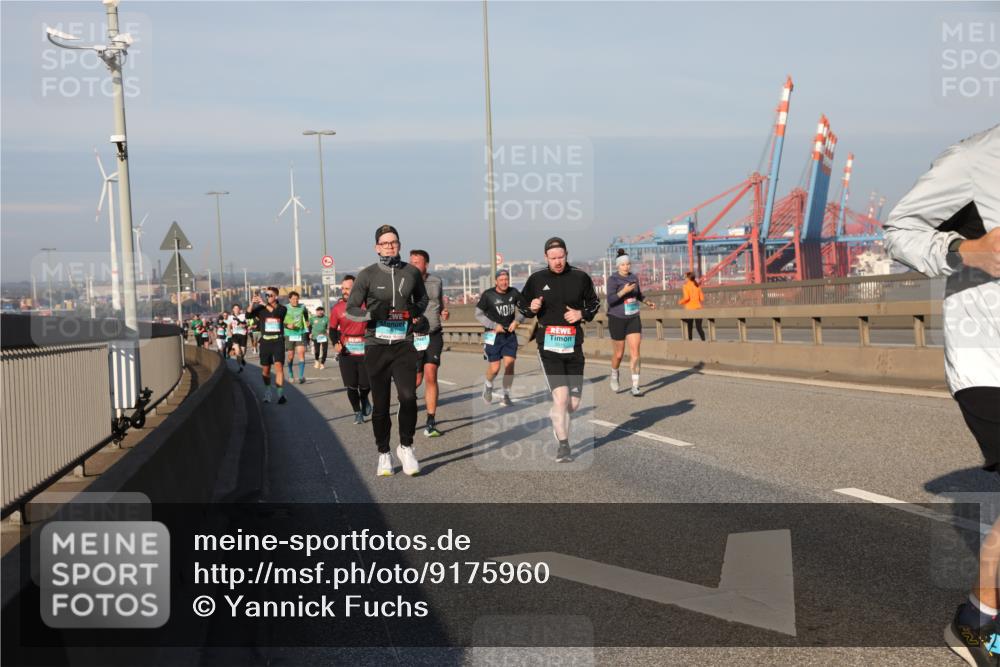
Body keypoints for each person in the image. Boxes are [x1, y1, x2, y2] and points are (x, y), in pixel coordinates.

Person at [881, 124, 999, 666]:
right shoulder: (974, 158)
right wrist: (966, 249)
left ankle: (978, 617)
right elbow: (898, 230)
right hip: (987, 358)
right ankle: (978, 622)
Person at [346, 225, 428, 477]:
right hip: (376, 346)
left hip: (403, 344)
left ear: (399, 245)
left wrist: (416, 312)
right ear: (377, 247)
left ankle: (406, 446)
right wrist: (373, 314)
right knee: (381, 405)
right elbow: (351, 309)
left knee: (409, 398)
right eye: (385, 243)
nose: (390, 246)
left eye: (394, 242)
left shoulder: (412, 272)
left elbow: (422, 300)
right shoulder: (367, 275)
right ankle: (383, 452)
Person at [518, 237, 601, 463]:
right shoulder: (537, 279)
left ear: (567, 255)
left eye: (561, 257)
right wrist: (531, 307)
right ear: (546, 257)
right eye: (553, 258)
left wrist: (580, 314)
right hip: (549, 346)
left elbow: (594, 303)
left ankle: (557, 417)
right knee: (562, 398)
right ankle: (564, 445)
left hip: (574, 346)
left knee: (572, 405)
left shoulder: (580, 277)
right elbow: (522, 305)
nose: (557, 261)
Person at [606, 249, 656, 396]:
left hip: (633, 317)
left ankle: (635, 386)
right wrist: (624, 291)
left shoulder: (634, 277)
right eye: (623, 265)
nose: (626, 267)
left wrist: (647, 302)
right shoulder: (613, 280)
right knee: (619, 354)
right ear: (618, 266)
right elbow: (610, 300)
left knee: (635, 352)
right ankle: (614, 373)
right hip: (617, 319)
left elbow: (639, 294)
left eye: (628, 264)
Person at [409, 249, 448, 438]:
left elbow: (440, 303)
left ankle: (430, 421)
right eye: (412, 261)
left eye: (417, 262)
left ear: (426, 264)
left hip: (433, 334)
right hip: (414, 336)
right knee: (416, 380)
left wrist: (444, 312)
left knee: (431, 375)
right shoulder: (405, 283)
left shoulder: (436, 281)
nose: (414, 264)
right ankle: (406, 403)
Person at [476, 268, 524, 407]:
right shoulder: (488, 295)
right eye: (501, 280)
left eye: (506, 279)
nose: (504, 282)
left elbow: (524, 310)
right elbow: (478, 314)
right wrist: (493, 325)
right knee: (495, 368)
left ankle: (506, 395)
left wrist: (517, 321)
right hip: (492, 335)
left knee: (509, 365)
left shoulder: (514, 292)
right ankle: (488, 386)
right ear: (496, 281)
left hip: (509, 335)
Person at [330, 275, 372, 424]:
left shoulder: (366, 305)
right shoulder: (337, 308)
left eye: (347, 288)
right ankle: (357, 412)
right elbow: (332, 329)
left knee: (366, 385)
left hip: (365, 349)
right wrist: (335, 342)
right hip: (346, 351)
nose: (344, 291)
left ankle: (364, 398)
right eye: (343, 288)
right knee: (351, 386)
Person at [248, 288, 288, 404]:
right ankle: (268, 391)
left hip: (278, 341)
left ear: (276, 296)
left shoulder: (282, 308)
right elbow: (247, 315)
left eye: (270, 295)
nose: (268, 297)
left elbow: (275, 313)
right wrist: (252, 303)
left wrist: (264, 304)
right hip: (265, 342)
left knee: (279, 367)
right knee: (266, 370)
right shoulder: (261, 309)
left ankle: (280, 394)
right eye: (266, 295)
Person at [283, 291, 310, 384]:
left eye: (297, 299)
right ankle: (290, 373)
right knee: (290, 356)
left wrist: (306, 321)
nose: (295, 301)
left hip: (300, 333)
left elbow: (306, 314)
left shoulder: (302, 307)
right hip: (289, 334)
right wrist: (287, 326)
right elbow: (280, 321)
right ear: (289, 299)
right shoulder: (285, 308)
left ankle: (301, 376)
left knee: (301, 353)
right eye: (293, 299)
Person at [679, 271, 706, 341]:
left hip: (689, 309)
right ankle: (704, 341)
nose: (684, 279)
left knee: (689, 326)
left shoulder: (685, 286)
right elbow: (702, 298)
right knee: (699, 327)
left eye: (685, 278)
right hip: (698, 308)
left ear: (688, 278)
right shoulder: (697, 286)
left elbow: (686, 298)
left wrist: (680, 302)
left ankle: (690, 342)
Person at [226, 303, 249, 373]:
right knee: (238, 351)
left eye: (237, 308)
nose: (236, 309)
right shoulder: (230, 317)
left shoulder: (243, 316)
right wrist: (229, 331)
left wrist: (244, 326)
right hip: (235, 335)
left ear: (240, 309)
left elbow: (247, 324)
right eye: (235, 308)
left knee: (243, 352)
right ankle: (240, 367)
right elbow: (228, 325)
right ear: (233, 309)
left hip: (243, 335)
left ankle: (241, 359)